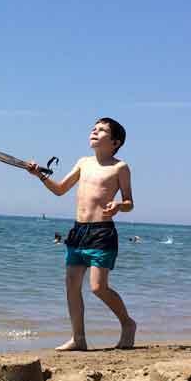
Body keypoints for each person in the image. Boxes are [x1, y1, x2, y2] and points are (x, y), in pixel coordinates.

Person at [26, 117, 137, 351]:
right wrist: (41, 176)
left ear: (115, 142)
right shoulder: (83, 162)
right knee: (72, 285)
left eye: (102, 130)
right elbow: (60, 190)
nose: (94, 132)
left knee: (98, 288)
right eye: (93, 129)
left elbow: (129, 202)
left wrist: (119, 206)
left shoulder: (120, 167)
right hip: (78, 231)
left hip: (102, 232)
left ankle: (128, 324)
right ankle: (78, 338)